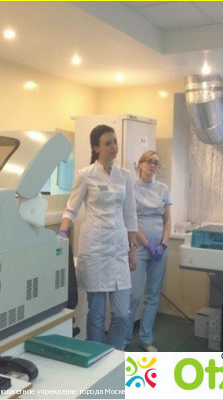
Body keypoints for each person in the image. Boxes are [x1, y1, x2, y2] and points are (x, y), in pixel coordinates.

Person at [57, 124, 138, 350]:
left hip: (119, 248)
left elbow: (130, 214)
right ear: (96, 147)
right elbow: (71, 209)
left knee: (122, 313)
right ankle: (96, 355)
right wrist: (62, 231)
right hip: (95, 248)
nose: (113, 147)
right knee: (97, 313)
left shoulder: (125, 175)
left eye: (115, 142)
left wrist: (132, 248)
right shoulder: (86, 175)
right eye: (108, 143)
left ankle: (115, 352)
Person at [125, 150, 172, 352]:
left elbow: (168, 220)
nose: (152, 165)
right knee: (133, 295)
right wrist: (147, 245)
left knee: (153, 296)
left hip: (160, 248)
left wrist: (163, 244)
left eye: (156, 163)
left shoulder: (163, 189)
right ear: (140, 164)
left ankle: (146, 339)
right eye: (149, 161)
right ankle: (124, 339)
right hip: (139, 247)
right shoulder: (131, 188)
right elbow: (131, 220)